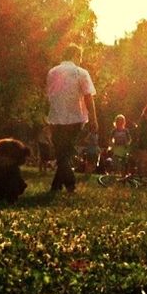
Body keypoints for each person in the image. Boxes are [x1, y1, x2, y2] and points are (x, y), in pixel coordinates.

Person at [46, 43, 97, 193]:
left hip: (56, 117)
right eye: (80, 57)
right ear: (76, 56)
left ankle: (56, 186)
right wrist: (93, 118)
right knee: (65, 153)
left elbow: (50, 96)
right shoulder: (81, 72)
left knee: (62, 152)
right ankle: (70, 184)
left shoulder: (52, 72)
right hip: (75, 117)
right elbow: (88, 97)